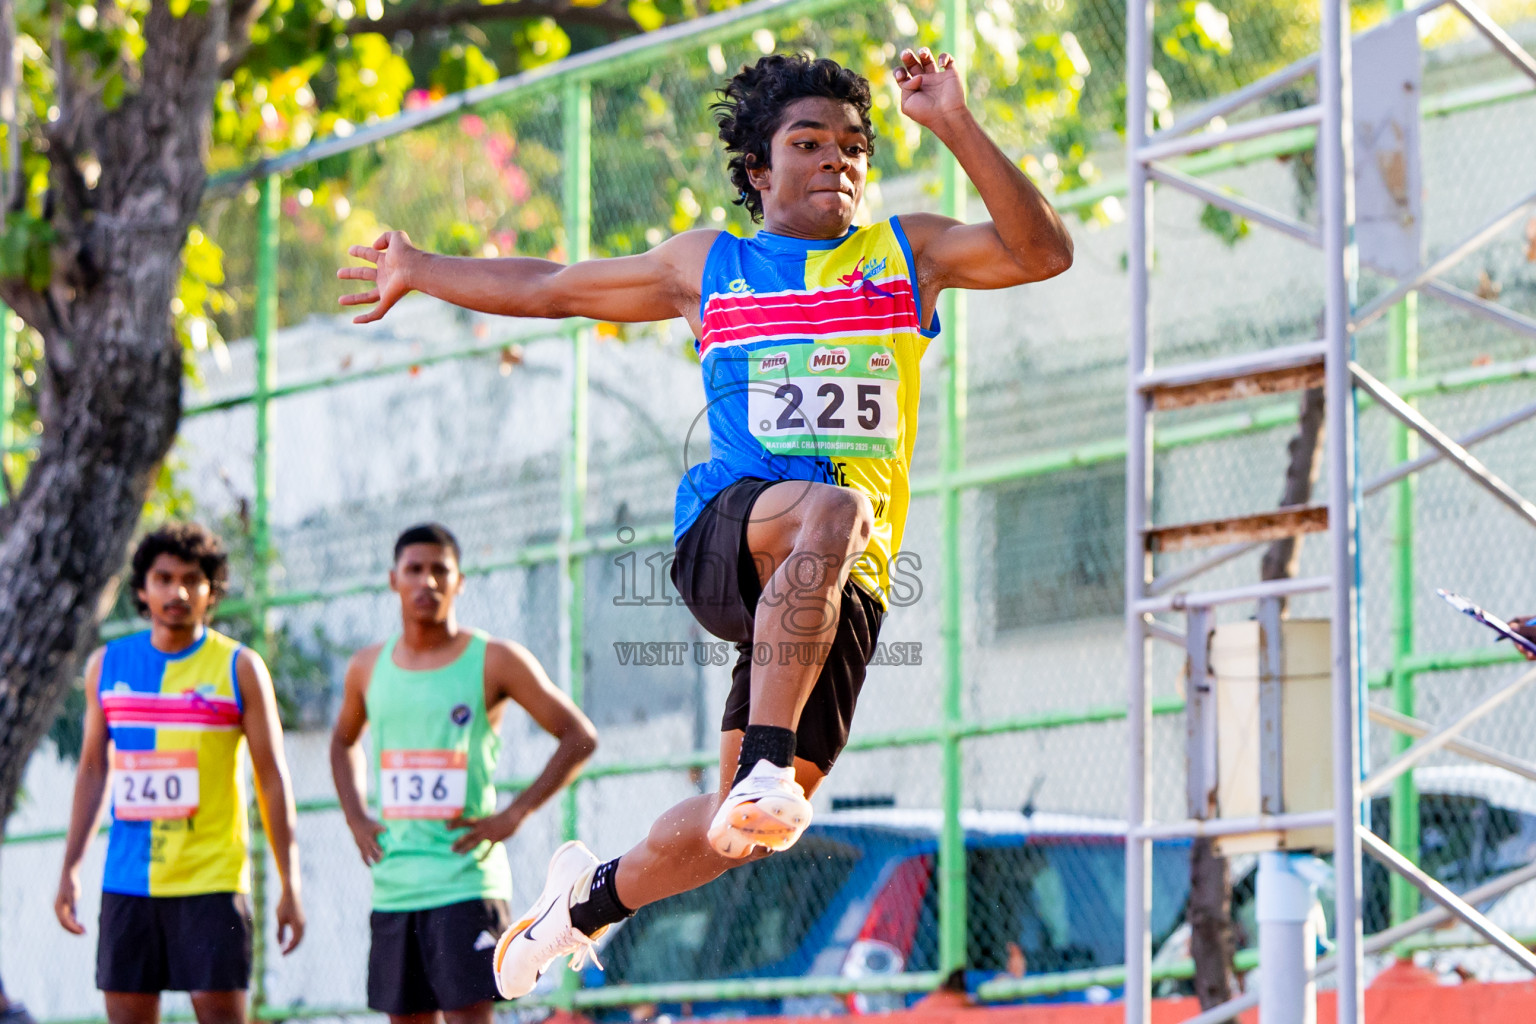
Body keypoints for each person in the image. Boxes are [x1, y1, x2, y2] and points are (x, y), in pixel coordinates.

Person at [338, 47, 1073, 998]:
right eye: (807, 144)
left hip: (839, 584)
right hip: (732, 535)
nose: (836, 162)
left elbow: (1043, 253)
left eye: (853, 147)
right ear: (760, 171)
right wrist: (422, 268)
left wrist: (957, 125)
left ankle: (581, 905)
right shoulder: (710, 267)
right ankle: (767, 761)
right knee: (832, 509)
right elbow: (555, 286)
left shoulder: (908, 256)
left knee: (741, 832)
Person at [329, 523, 597, 1020]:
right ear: (393, 580)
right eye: (414, 570)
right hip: (395, 885)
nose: (426, 582)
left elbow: (578, 736)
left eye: (439, 570)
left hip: (466, 881)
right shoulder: (367, 667)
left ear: (460, 581)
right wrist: (355, 817)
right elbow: (343, 741)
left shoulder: (495, 659)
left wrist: (515, 813)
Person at [54, 522, 305, 1024]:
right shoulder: (107, 665)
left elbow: (272, 777)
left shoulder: (240, 668)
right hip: (129, 881)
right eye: (164, 578)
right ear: (142, 590)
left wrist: (290, 882)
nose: (178, 591)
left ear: (212, 591)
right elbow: (92, 769)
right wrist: (70, 868)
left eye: (192, 579)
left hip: (211, 880)